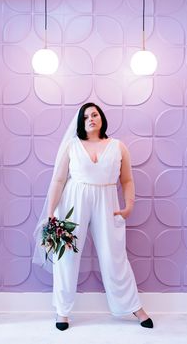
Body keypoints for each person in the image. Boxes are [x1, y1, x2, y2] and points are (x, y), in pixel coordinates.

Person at [33, 103, 153, 331]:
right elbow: (58, 180)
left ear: (101, 118)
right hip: (72, 201)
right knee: (67, 256)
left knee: (114, 255)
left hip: (107, 201)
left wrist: (129, 206)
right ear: (81, 122)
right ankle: (62, 310)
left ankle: (134, 306)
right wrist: (50, 212)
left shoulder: (118, 147)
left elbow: (127, 180)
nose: (91, 119)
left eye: (95, 114)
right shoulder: (72, 145)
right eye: (86, 116)